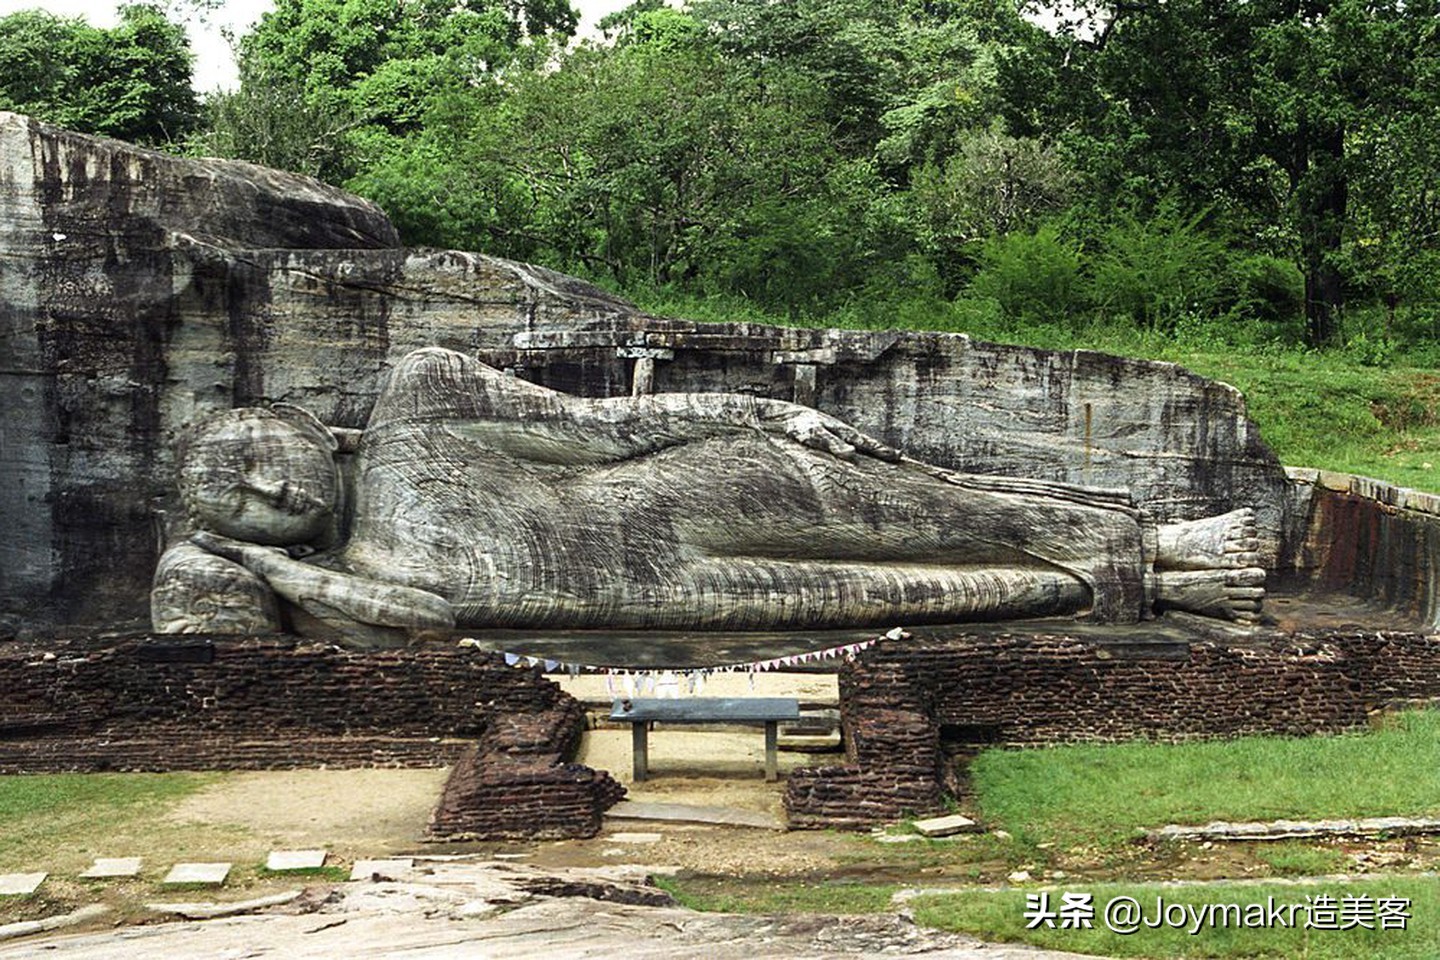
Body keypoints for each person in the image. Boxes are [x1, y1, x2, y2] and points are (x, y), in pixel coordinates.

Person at [152, 347, 1265, 644]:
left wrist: (767, 415)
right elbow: (433, 625)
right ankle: (1155, 589)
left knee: (956, 515)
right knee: (942, 594)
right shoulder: (357, 579)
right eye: (235, 500)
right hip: (680, 587)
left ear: (295, 423)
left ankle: (1166, 545)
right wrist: (266, 566)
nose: (266, 484)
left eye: (255, 451)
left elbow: (611, 425)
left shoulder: (417, 401)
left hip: (692, 493)